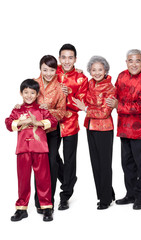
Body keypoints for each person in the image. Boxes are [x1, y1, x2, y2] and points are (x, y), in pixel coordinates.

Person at [106, 49, 141, 210]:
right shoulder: (121, 76)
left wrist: (117, 105)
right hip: (123, 128)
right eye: (131, 60)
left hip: (140, 130)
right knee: (127, 164)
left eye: (137, 61)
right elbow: (114, 92)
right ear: (126, 62)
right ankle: (131, 194)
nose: (134, 64)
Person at [5, 79, 58, 221]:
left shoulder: (41, 109)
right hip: (23, 149)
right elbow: (8, 124)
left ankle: (46, 207)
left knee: (43, 179)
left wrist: (37, 123)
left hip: (40, 149)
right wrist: (22, 122)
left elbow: (53, 121)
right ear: (21, 93)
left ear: (37, 94)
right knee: (23, 180)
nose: (29, 95)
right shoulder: (17, 110)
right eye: (26, 92)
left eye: (32, 93)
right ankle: (21, 209)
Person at [73, 56, 116, 209]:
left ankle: (105, 200)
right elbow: (80, 82)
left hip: (104, 129)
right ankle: (107, 193)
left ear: (105, 71)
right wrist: (77, 71)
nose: (97, 72)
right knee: (96, 163)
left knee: (104, 164)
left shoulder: (110, 88)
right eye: (93, 69)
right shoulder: (90, 83)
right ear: (90, 71)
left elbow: (104, 112)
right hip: (90, 127)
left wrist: (85, 109)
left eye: (100, 69)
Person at [56, 43, 88, 210]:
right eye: (63, 57)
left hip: (70, 124)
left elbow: (82, 104)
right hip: (52, 123)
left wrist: (68, 95)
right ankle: (69, 179)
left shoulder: (81, 78)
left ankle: (65, 194)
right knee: (51, 155)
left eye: (70, 57)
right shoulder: (52, 72)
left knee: (69, 160)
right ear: (59, 58)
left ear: (75, 59)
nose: (67, 61)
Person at [34, 55, 66, 213]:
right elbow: (27, 102)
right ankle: (38, 201)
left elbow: (62, 112)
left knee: (52, 163)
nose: (48, 73)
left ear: (56, 70)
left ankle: (49, 202)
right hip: (36, 131)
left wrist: (48, 110)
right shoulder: (33, 84)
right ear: (40, 68)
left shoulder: (59, 88)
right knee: (39, 165)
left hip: (53, 131)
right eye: (45, 69)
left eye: (51, 70)